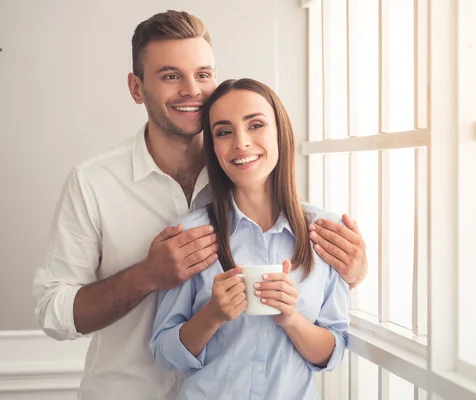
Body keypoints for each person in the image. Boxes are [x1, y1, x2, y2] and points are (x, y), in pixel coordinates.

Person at [32, 10, 366, 400]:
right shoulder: (92, 182)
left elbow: (306, 265)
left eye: (203, 74)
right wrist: (148, 275)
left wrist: (354, 270)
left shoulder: (243, 164)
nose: (192, 90)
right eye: (171, 76)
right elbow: (53, 312)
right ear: (136, 88)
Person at [151, 78, 349, 400]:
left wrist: (291, 318)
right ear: (214, 147)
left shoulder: (327, 233)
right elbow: (163, 351)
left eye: (255, 125)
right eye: (224, 132)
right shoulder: (190, 236)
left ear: (280, 132)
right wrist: (212, 315)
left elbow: (333, 351)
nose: (241, 143)